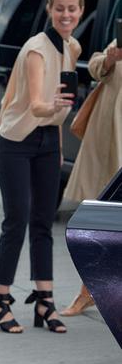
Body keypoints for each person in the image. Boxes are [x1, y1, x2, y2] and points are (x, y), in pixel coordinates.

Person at [0, 0, 84, 334]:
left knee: (43, 221)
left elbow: (53, 112)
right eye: (59, 8)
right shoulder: (36, 50)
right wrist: (58, 105)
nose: (66, 14)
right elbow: (37, 105)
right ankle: (0, 303)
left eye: (72, 9)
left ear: (80, 12)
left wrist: (57, 143)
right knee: (16, 220)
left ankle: (44, 301)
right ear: (49, 10)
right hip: (16, 138)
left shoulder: (72, 46)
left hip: (46, 140)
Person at [61, 37, 122, 315]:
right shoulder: (118, 41)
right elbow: (96, 66)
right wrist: (109, 59)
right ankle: (88, 292)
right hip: (105, 141)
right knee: (101, 222)